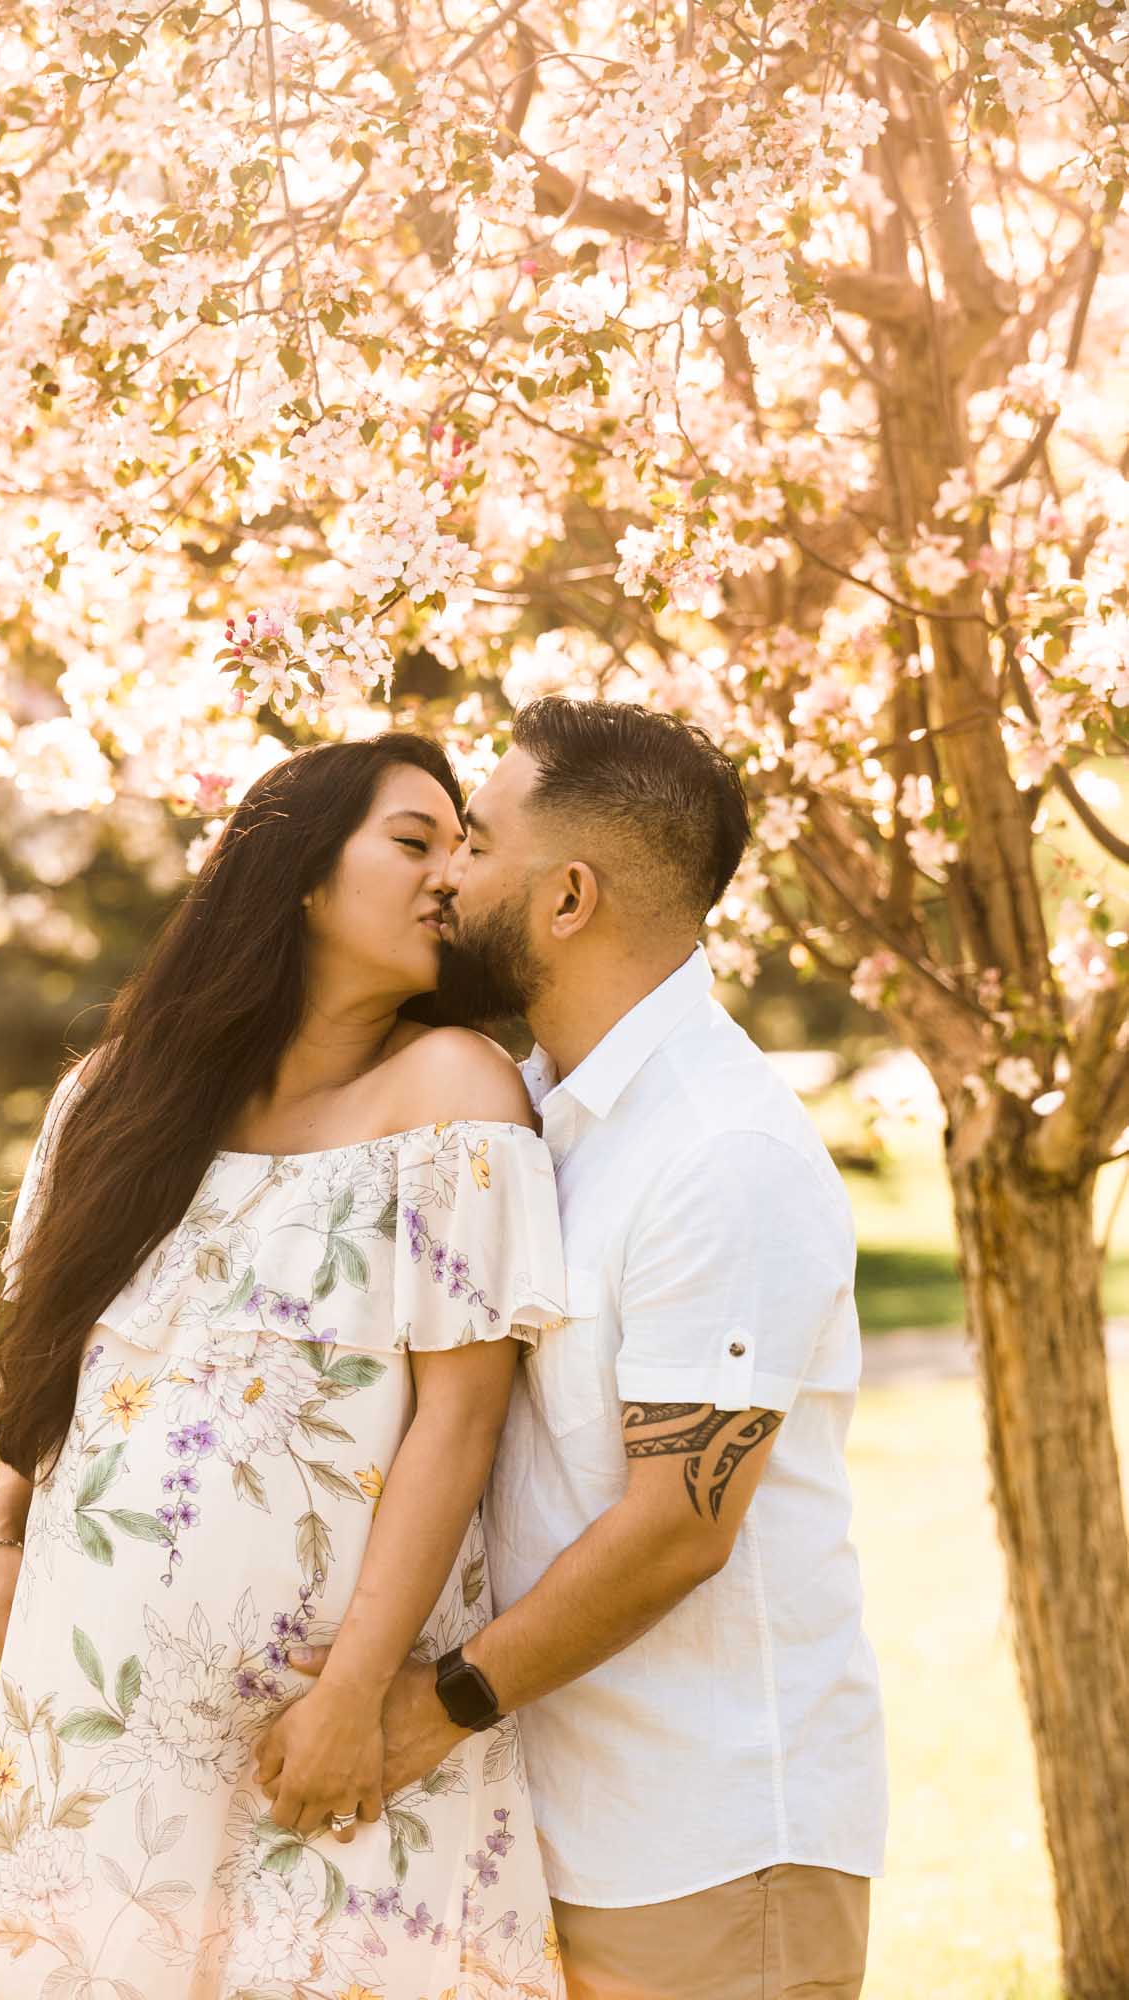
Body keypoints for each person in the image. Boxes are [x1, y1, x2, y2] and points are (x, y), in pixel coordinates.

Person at [0, 732, 570, 2000]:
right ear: (294, 869)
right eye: (414, 840)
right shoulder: (114, 1098)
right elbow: (54, 1348)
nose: (450, 874)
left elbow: (458, 1424)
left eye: (463, 845)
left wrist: (353, 1698)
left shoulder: (453, 1091)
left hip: (316, 1733)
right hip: (93, 1719)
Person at [286, 698, 889, 2000]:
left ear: (566, 898)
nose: (444, 875)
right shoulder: (548, 1112)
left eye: (477, 844)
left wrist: (418, 1711)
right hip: (548, 1823)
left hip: (707, 1848)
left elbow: (678, 1522)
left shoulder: (717, 1151)